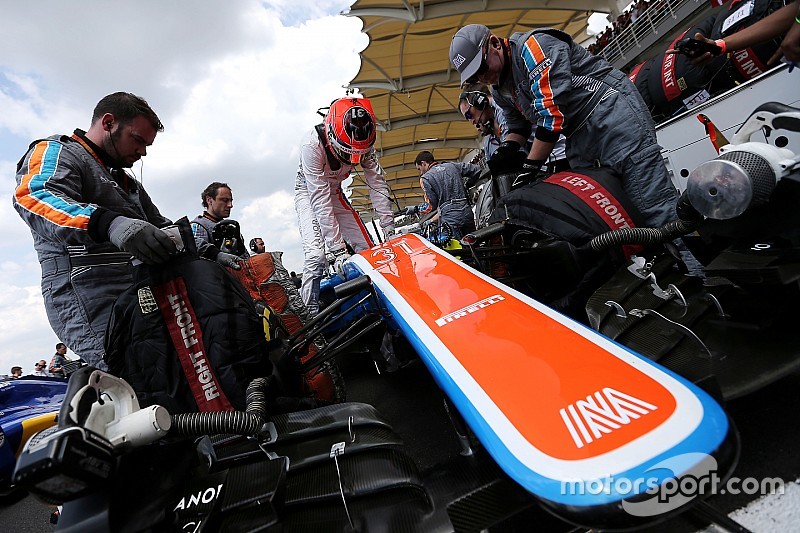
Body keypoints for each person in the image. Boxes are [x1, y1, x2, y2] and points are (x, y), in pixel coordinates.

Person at [13, 92, 239, 370]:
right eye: (138, 140)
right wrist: (108, 223)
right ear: (108, 122)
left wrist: (212, 254)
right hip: (87, 296)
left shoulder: (124, 181)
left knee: (178, 372)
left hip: (136, 291)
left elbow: (162, 227)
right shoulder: (56, 152)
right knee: (134, 376)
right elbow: (35, 197)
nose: (143, 152)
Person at [449, 24, 678, 227]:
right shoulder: (499, 91)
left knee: (651, 201)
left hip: (610, 113)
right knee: (602, 204)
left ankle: (690, 268)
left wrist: (531, 166)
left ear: (495, 43)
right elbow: (517, 127)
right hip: (578, 134)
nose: (481, 77)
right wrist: (508, 150)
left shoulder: (533, 47)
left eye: (481, 67)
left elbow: (552, 115)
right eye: (474, 77)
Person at [294, 96, 395, 315]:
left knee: (367, 249)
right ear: (330, 134)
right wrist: (338, 249)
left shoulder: (364, 144)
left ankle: (381, 302)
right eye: (347, 152)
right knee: (316, 257)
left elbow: (377, 184)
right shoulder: (311, 145)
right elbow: (319, 199)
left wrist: (389, 231)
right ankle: (307, 315)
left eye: (357, 153)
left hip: (335, 191)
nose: (352, 158)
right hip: (310, 194)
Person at [457, 84, 569, 173]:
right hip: (545, 161)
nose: (471, 121)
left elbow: (513, 140)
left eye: (469, 115)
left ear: (479, 101)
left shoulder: (502, 107)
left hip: (558, 155)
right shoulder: (493, 121)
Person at [414, 151, 482, 239]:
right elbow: (477, 170)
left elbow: (431, 206)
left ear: (423, 163)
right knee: (473, 243)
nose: (420, 172)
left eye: (419, 169)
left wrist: (416, 209)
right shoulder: (452, 166)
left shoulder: (426, 178)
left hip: (450, 218)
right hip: (466, 212)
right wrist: (468, 185)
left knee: (454, 249)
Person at [192, 182, 249, 259]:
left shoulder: (231, 228)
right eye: (225, 200)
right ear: (209, 200)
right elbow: (197, 259)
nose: (230, 205)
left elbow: (246, 259)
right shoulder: (199, 226)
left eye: (230, 201)